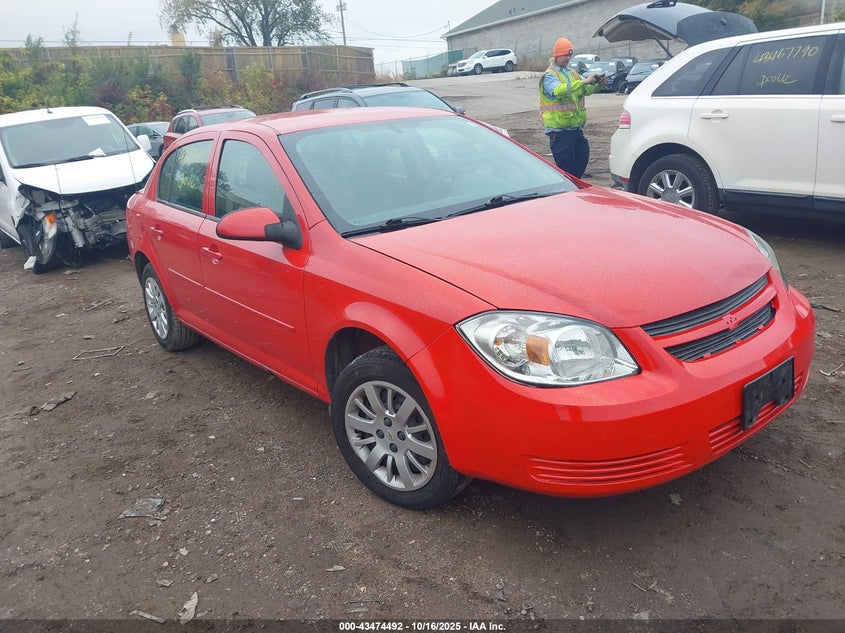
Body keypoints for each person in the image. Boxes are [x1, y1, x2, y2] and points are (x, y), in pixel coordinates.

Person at [539, 38, 606, 178]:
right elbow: (558, 90)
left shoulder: (572, 73)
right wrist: (584, 82)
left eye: (570, 55)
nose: (568, 58)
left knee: (583, 156)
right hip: (559, 132)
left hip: (575, 129)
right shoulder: (550, 75)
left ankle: (574, 188)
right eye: (565, 55)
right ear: (556, 55)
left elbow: (585, 90)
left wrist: (598, 85)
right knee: (568, 171)